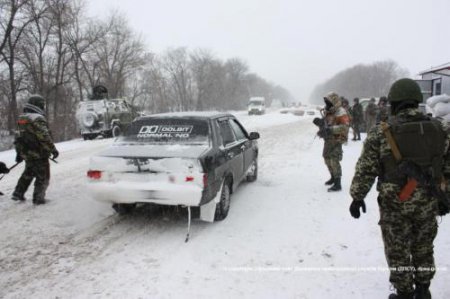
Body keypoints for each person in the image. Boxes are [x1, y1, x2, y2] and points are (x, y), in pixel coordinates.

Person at [349, 78, 449, 299]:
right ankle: (423, 290)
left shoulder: (381, 132)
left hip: (395, 204)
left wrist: (357, 197)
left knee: (398, 249)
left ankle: (404, 293)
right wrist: (444, 197)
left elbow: (366, 168)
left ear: (394, 102)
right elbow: (448, 166)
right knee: (424, 246)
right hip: (428, 202)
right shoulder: (441, 129)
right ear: (417, 101)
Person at [12, 94, 59, 205]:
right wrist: (53, 149)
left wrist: (18, 153)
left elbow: (18, 137)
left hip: (26, 153)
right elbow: (44, 136)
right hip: (39, 153)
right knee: (43, 176)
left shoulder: (22, 118)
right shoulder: (37, 118)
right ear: (38, 105)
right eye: (42, 105)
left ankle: (18, 193)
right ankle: (39, 198)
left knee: (28, 172)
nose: (43, 107)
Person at [321, 92, 350, 192]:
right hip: (328, 139)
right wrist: (321, 129)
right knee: (326, 158)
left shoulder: (340, 111)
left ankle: (338, 183)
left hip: (337, 139)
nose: (327, 104)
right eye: (326, 102)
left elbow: (345, 127)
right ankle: (333, 176)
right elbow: (326, 124)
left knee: (334, 160)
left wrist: (331, 129)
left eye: (329, 102)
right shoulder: (328, 111)